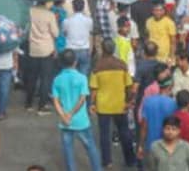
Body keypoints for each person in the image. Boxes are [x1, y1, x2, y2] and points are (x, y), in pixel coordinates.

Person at [51, 49, 102, 171]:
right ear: (75, 61)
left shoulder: (57, 79)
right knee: (90, 147)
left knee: (68, 150)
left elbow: (56, 101)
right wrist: (72, 113)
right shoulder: (82, 78)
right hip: (81, 120)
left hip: (65, 122)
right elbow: (82, 99)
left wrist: (64, 116)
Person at [89, 39, 136, 168]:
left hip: (103, 106)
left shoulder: (97, 66)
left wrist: (92, 104)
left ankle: (107, 161)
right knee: (124, 132)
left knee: (104, 135)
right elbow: (129, 86)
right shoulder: (122, 65)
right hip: (120, 104)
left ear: (103, 49)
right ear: (114, 49)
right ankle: (130, 160)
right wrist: (129, 101)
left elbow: (94, 89)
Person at [24, 2, 59, 115]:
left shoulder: (30, 12)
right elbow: (56, 33)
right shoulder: (49, 14)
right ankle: (41, 106)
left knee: (32, 77)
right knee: (45, 79)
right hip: (46, 49)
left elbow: (25, 28)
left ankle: (28, 104)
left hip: (33, 48)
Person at [138, 74, 177, 161]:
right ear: (170, 87)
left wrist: (141, 145)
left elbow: (144, 127)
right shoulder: (173, 104)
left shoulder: (148, 101)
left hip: (151, 146)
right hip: (167, 147)